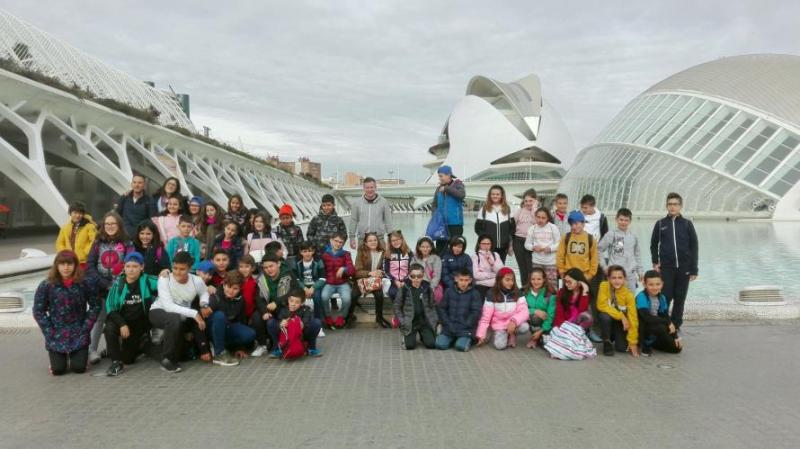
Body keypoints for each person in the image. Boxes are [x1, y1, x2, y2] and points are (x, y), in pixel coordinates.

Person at [33, 250, 99, 375]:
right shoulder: (47, 285)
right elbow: (38, 310)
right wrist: (49, 331)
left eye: (69, 264)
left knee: (79, 368)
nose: (66, 268)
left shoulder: (85, 283)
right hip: (57, 334)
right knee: (58, 370)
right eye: (62, 264)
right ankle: (59, 359)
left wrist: (86, 327)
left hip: (79, 332)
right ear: (56, 266)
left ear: (75, 265)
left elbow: (95, 306)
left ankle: (80, 356)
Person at [150, 251, 211, 373]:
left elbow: (204, 292)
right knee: (174, 319)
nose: (177, 272)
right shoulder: (164, 278)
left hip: (182, 315)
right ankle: (167, 359)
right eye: (175, 268)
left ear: (189, 268)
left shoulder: (197, 280)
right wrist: (194, 314)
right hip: (159, 311)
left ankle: (146, 346)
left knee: (182, 356)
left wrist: (204, 304)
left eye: (182, 269)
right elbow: (168, 306)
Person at [103, 252, 158, 376]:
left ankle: (138, 343)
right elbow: (110, 308)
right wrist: (122, 324)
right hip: (121, 321)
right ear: (124, 267)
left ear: (142, 267)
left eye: (135, 266)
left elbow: (169, 282)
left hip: (138, 324)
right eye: (128, 266)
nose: (131, 270)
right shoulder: (118, 285)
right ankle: (116, 362)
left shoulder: (148, 280)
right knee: (109, 328)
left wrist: (166, 273)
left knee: (128, 359)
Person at [650, 192, 698, 333]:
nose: (672, 207)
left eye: (675, 204)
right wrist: (655, 261)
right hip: (667, 267)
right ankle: (663, 322)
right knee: (666, 297)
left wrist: (694, 269)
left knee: (680, 298)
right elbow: (653, 244)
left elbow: (694, 246)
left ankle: (676, 326)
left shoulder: (687, 224)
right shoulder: (660, 224)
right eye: (670, 204)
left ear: (680, 206)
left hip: (684, 268)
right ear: (666, 206)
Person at [86, 211, 129, 365]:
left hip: (120, 289)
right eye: (107, 224)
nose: (110, 226)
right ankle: (92, 350)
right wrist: (105, 284)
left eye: (113, 223)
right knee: (99, 319)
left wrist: (119, 284)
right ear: (103, 226)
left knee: (119, 319)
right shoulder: (97, 243)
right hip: (101, 288)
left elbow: (130, 264)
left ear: (119, 225)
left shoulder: (126, 243)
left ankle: (116, 349)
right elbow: (90, 266)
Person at [208, 271, 256, 366]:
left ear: (240, 288)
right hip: (211, 328)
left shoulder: (241, 300)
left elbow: (241, 321)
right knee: (219, 316)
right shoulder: (215, 296)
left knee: (250, 334)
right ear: (224, 284)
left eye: (235, 288)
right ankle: (219, 353)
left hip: (227, 328)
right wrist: (203, 349)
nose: (231, 291)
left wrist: (240, 348)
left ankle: (226, 347)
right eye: (228, 287)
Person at [475, 267, 530, 350]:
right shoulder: (491, 293)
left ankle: (512, 334)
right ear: (500, 280)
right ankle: (499, 333)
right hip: (499, 324)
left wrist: (514, 321)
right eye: (507, 280)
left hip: (512, 322)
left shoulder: (518, 292)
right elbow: (485, 317)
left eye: (512, 280)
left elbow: (524, 312)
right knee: (500, 346)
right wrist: (481, 335)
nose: (511, 283)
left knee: (525, 327)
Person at [256, 254, 301, 346]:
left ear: (278, 264)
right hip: (270, 307)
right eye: (265, 267)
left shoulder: (287, 275)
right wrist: (264, 311)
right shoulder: (262, 278)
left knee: (284, 316)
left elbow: (295, 292)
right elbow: (259, 297)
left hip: (285, 306)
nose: (269, 269)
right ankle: (263, 344)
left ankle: (286, 342)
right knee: (256, 317)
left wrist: (277, 302)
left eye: (271, 266)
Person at [267, 288, 324, 358]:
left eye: (297, 302)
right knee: (271, 323)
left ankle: (311, 348)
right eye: (291, 301)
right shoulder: (283, 309)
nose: (293, 304)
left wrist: (298, 323)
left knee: (316, 322)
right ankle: (277, 348)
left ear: (302, 303)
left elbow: (305, 323)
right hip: (286, 335)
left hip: (301, 335)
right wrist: (281, 324)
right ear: (288, 300)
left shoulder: (306, 310)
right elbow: (279, 320)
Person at [636, 270, 682, 355]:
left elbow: (665, 315)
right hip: (642, 327)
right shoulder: (641, 297)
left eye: (658, 284)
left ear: (662, 284)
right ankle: (643, 344)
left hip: (655, 326)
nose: (655, 287)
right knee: (660, 326)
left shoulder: (662, 298)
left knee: (676, 349)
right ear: (644, 285)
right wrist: (667, 323)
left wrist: (675, 336)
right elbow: (647, 318)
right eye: (651, 284)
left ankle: (652, 343)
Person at [597, 265, 640, 357]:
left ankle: (614, 336)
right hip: (610, 318)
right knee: (604, 316)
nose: (617, 281)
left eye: (620, 278)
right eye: (613, 278)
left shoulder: (628, 295)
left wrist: (633, 341)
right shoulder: (604, 286)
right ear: (608, 278)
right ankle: (607, 342)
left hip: (619, 323)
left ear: (624, 279)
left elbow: (633, 318)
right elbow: (601, 305)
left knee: (622, 348)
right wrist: (621, 316)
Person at [435, 268, 482, 352]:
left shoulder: (475, 294)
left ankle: (464, 340)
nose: (463, 283)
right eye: (461, 280)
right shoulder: (449, 291)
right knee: (440, 345)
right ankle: (452, 338)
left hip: (465, 328)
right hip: (450, 327)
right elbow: (442, 309)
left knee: (460, 347)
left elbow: (476, 313)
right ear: (456, 279)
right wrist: (447, 323)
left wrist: (466, 324)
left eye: (466, 280)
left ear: (470, 280)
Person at [394, 263, 438, 350]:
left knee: (431, 344)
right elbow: (397, 307)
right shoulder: (404, 289)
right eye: (413, 276)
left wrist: (434, 320)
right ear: (409, 276)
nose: (416, 279)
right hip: (411, 322)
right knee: (409, 346)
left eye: (419, 276)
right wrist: (403, 321)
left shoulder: (427, 288)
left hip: (424, 322)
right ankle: (407, 337)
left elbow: (433, 306)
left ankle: (423, 335)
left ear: (423, 276)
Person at [599, 208, 644, 291]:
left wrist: (640, 271)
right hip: (615, 275)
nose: (623, 222)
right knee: (614, 301)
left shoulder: (633, 236)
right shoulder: (611, 234)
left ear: (630, 221)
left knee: (630, 300)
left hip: (630, 276)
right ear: (616, 219)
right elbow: (599, 250)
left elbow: (637, 255)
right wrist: (604, 267)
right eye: (621, 219)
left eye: (626, 220)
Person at [352, 233, 390, 328]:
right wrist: (370, 273)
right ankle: (348, 317)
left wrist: (380, 272)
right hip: (362, 281)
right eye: (370, 240)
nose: (373, 242)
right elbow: (356, 271)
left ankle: (379, 318)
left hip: (375, 281)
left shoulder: (382, 252)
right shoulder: (361, 251)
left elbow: (385, 268)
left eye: (375, 240)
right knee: (353, 295)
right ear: (365, 242)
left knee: (379, 295)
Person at [320, 233, 355, 329]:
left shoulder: (346, 254)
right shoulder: (324, 254)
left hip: (342, 283)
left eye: (341, 242)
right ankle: (328, 317)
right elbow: (320, 269)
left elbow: (352, 270)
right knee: (324, 297)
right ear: (331, 240)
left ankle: (341, 317)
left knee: (347, 299)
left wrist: (344, 269)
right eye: (336, 241)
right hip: (329, 283)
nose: (338, 244)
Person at [348, 177, 393, 249]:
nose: (369, 190)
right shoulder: (357, 203)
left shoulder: (384, 202)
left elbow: (388, 221)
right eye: (367, 188)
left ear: (375, 187)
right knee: (361, 260)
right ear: (364, 188)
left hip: (379, 240)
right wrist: (352, 237)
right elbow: (353, 220)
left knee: (381, 260)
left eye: (372, 187)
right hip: (362, 240)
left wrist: (390, 238)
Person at [474, 184, 514, 263]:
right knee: (487, 269)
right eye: (493, 194)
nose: (495, 196)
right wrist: (485, 241)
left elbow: (512, 228)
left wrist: (510, 244)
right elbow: (477, 228)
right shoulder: (484, 209)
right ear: (490, 195)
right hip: (488, 248)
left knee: (500, 270)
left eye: (497, 194)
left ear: (502, 196)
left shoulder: (508, 209)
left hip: (503, 247)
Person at [525, 207, 561, 292]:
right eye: (538, 217)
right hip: (537, 261)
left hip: (551, 262)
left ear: (547, 218)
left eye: (543, 218)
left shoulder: (553, 228)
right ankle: (537, 302)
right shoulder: (532, 228)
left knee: (551, 284)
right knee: (536, 284)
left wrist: (551, 248)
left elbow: (560, 244)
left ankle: (552, 303)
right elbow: (526, 244)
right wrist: (533, 247)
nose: (540, 220)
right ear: (535, 217)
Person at [431, 165, 465, 254]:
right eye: (439, 176)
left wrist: (447, 189)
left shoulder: (458, 185)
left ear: (448, 175)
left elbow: (461, 195)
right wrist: (436, 217)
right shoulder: (438, 189)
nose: (440, 178)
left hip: (455, 224)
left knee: (455, 249)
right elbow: (434, 205)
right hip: (441, 225)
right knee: (440, 249)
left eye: (441, 176)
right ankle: (441, 266)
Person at [236, 255, 266, 356]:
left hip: (252, 312)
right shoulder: (236, 281)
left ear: (252, 268)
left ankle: (262, 344)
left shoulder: (255, 282)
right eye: (241, 267)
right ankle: (241, 347)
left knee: (257, 319)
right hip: (240, 313)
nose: (243, 269)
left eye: (246, 266)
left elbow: (257, 300)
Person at [293, 241, 326, 326]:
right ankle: (298, 322)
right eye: (304, 251)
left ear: (313, 251)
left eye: (310, 251)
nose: (307, 253)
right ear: (301, 252)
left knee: (317, 298)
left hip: (315, 286)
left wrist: (313, 288)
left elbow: (322, 278)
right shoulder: (296, 262)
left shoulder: (318, 261)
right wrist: (304, 288)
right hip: (302, 286)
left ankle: (318, 322)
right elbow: (295, 279)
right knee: (296, 299)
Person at [524, 267, 557, 349]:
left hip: (547, 323)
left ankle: (540, 335)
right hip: (533, 320)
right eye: (533, 279)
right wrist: (534, 311)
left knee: (546, 346)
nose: (536, 282)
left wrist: (541, 331)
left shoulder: (550, 293)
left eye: (539, 279)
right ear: (530, 280)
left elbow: (550, 315)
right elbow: (520, 310)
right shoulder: (525, 292)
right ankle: (534, 338)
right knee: (535, 317)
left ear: (544, 279)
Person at [116, 173, 157, 237]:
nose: (136, 185)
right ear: (131, 184)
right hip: (124, 235)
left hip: (140, 237)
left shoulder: (150, 201)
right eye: (134, 182)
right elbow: (117, 215)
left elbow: (152, 221)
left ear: (144, 185)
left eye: (139, 183)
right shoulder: (124, 198)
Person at [55, 201, 96, 266]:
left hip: (84, 262)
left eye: (80, 213)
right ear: (70, 213)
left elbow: (94, 240)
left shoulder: (89, 226)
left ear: (83, 214)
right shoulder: (65, 228)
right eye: (75, 213)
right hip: (69, 261)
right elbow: (59, 243)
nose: (77, 215)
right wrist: (65, 254)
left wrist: (85, 252)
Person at [511, 189, 539, 284]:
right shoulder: (519, 211)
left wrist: (534, 208)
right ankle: (524, 290)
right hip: (518, 241)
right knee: (522, 268)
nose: (528, 203)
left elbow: (537, 222)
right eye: (526, 201)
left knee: (531, 268)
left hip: (531, 243)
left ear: (535, 201)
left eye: (531, 201)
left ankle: (532, 289)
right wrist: (510, 244)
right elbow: (512, 227)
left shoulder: (538, 212)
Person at [412, 236, 442, 303]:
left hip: (432, 284)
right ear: (419, 247)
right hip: (417, 282)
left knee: (437, 295)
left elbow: (437, 275)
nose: (425, 249)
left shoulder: (436, 258)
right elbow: (412, 273)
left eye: (427, 247)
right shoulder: (415, 258)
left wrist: (431, 288)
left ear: (431, 247)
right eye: (423, 247)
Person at [384, 230, 412, 301]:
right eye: (393, 240)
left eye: (398, 239)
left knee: (408, 293)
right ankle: (397, 311)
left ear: (402, 239)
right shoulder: (388, 254)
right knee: (393, 293)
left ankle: (407, 311)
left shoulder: (409, 253)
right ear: (390, 242)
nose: (396, 242)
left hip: (406, 281)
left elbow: (412, 269)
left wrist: (405, 280)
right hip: (393, 281)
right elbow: (385, 271)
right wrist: (395, 280)